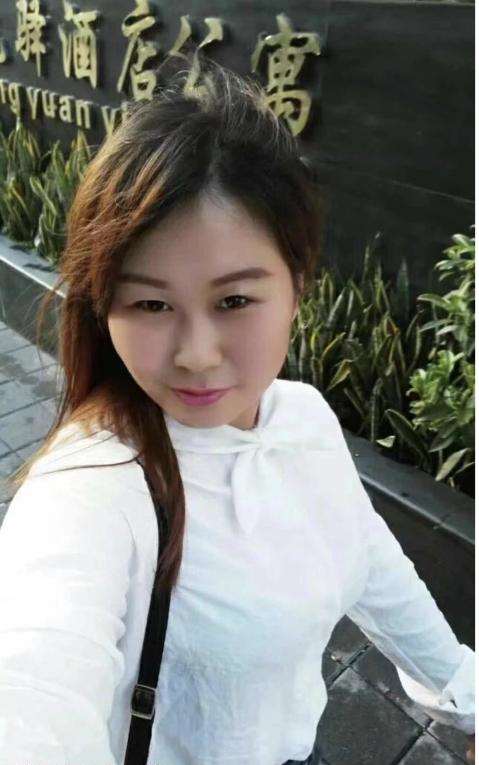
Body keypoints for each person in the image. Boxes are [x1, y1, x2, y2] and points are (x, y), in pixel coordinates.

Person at [0, 56, 475, 765]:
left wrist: (466, 695)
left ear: (297, 286)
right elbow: (33, 677)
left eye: (234, 300)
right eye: (150, 303)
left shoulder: (302, 416)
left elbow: (368, 556)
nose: (195, 355)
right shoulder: (95, 484)